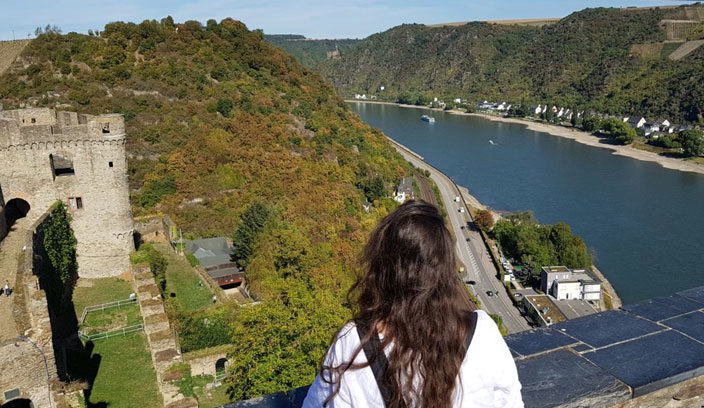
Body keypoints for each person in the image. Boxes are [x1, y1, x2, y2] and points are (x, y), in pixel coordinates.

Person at [303, 200, 522, 408]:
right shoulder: (482, 332)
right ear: (444, 272)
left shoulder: (352, 343)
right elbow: (511, 402)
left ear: (382, 269)